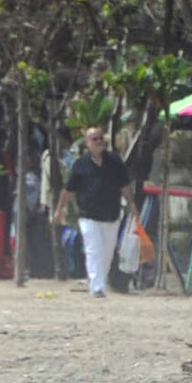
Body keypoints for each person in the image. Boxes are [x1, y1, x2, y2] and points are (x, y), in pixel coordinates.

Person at [62, 125, 132, 298]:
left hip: (111, 215)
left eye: (101, 138)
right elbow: (69, 190)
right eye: (95, 139)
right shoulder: (81, 165)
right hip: (88, 217)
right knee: (94, 250)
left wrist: (133, 207)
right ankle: (97, 287)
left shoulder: (115, 162)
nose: (99, 141)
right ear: (87, 143)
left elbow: (125, 186)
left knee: (107, 253)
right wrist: (59, 210)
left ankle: (100, 282)